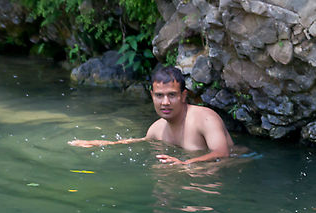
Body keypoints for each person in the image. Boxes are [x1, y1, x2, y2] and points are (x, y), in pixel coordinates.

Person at [69, 66, 235, 165]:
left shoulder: (204, 118)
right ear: (152, 96)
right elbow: (140, 142)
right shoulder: (157, 128)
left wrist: (185, 164)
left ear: (183, 96)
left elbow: (222, 153)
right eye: (159, 96)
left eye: (171, 95)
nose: (165, 102)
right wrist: (99, 144)